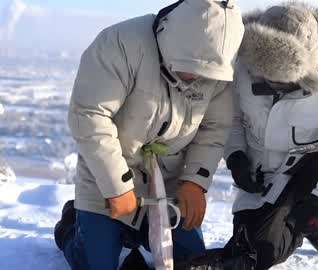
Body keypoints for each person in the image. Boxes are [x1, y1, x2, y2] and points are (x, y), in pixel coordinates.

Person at [53, 0, 244, 269]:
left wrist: (195, 182)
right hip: (105, 180)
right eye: (191, 70)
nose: (197, 79)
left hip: (169, 184)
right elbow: (89, 115)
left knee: (189, 261)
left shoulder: (219, 71)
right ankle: (71, 226)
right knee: (95, 263)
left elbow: (214, 129)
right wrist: (116, 185)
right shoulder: (120, 43)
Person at [222, 2, 318, 270]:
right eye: (265, 76)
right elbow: (231, 119)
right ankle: (290, 226)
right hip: (269, 171)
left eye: (281, 79)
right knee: (258, 250)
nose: (272, 84)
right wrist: (235, 156)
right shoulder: (239, 69)